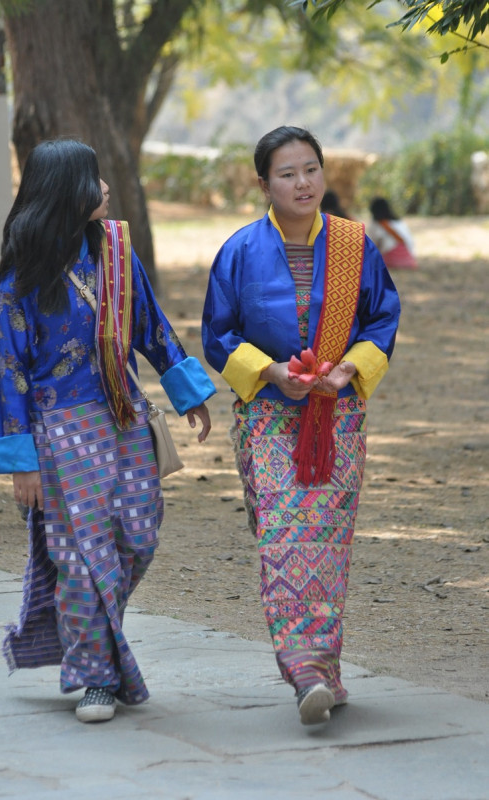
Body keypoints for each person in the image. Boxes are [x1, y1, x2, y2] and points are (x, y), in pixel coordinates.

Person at [0, 138, 216, 724]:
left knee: (138, 537)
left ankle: (85, 634)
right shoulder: (19, 280)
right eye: (94, 179)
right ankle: (95, 676)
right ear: (67, 191)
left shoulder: (117, 253)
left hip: (125, 419)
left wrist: (186, 391)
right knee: (80, 555)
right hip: (59, 434)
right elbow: (7, 374)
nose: (106, 188)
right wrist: (23, 465)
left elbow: (152, 327)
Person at [202, 126, 400, 726]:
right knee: (287, 537)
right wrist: (268, 371)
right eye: (287, 174)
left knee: (328, 544)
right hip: (268, 416)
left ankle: (324, 670)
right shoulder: (239, 250)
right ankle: (303, 668)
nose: (303, 182)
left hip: (336, 417)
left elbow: (382, 318)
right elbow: (218, 335)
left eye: (311, 169)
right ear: (264, 184)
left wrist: (347, 372)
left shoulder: (354, 245)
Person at [367, 196, 418, 270]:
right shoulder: (398, 222)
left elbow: (374, 244)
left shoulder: (377, 224)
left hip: (391, 257)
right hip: (408, 257)